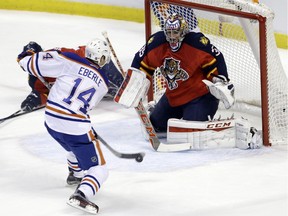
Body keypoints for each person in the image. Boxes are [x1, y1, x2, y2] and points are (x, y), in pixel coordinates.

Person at [113, 13, 262, 150]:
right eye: (169, 32)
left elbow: (216, 59)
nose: (172, 37)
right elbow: (141, 60)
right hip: (173, 98)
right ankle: (157, 109)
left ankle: (238, 128)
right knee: (156, 126)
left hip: (200, 98)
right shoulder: (157, 43)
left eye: (175, 32)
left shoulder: (196, 43)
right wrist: (135, 83)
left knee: (191, 132)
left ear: (183, 32)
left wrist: (220, 80)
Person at [17, 38, 112, 214]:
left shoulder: (69, 59)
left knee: (71, 146)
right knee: (99, 169)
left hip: (51, 120)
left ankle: (75, 176)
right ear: (103, 59)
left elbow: (29, 63)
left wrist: (26, 55)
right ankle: (82, 194)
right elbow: (86, 106)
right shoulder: (104, 84)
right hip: (75, 124)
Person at [20, 41, 123, 112]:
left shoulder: (53, 55)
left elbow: (81, 53)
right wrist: (33, 100)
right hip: (84, 88)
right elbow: (44, 94)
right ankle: (116, 88)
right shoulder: (37, 82)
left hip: (88, 70)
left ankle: (122, 83)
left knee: (103, 66)